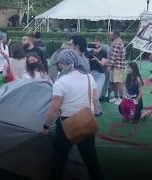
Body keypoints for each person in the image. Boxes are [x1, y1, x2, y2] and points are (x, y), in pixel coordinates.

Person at [42, 49, 102, 180]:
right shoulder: (88, 77)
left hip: (66, 123)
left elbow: (54, 108)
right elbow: (95, 100)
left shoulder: (61, 82)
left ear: (63, 64)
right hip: (86, 120)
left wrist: (46, 126)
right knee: (91, 158)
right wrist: (88, 114)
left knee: (59, 159)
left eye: (59, 64)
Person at [88, 36, 107, 116]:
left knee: (97, 93)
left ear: (100, 42)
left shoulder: (103, 52)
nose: (96, 43)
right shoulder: (90, 51)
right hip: (91, 74)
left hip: (100, 74)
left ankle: (96, 111)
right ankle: (96, 111)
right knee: (90, 93)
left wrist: (96, 60)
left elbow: (103, 64)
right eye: (95, 41)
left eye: (97, 41)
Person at [107, 31, 126, 105]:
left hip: (117, 66)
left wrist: (109, 65)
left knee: (118, 82)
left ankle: (120, 98)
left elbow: (113, 56)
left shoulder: (117, 43)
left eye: (111, 35)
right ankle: (116, 96)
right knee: (114, 82)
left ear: (115, 35)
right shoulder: (116, 42)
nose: (109, 36)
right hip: (115, 66)